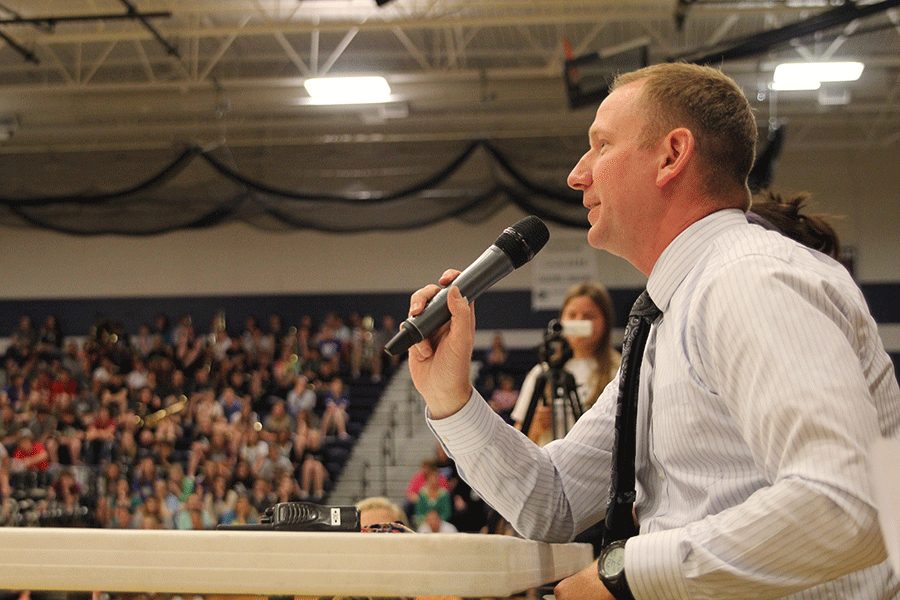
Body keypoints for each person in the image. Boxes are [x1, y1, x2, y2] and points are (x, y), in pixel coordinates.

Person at [405, 62, 900, 600]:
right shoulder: (675, 312)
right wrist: (450, 396)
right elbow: (555, 500)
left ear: (671, 155)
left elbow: (850, 502)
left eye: (601, 145)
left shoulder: (749, 279)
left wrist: (627, 574)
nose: (578, 174)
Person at [510, 281, 620, 445]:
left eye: (588, 316)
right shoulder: (543, 372)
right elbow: (518, 442)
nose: (578, 322)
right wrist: (535, 427)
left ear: (605, 321)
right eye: (572, 315)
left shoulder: (621, 369)